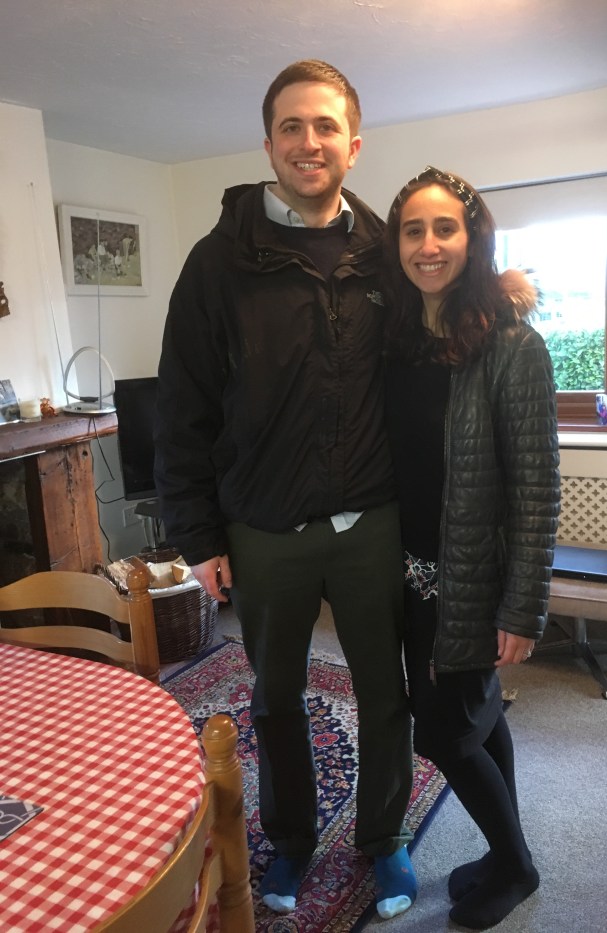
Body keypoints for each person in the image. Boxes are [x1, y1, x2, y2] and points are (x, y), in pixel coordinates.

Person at [154, 60, 416, 920]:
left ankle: (383, 836)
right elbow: (182, 407)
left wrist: (503, 295)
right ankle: (293, 837)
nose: (310, 142)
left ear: (353, 143)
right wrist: (199, 537)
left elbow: (440, 336)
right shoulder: (216, 264)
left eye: (326, 126)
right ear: (268, 143)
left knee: (385, 693)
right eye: (292, 126)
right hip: (263, 527)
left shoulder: (386, 254)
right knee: (275, 698)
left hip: (371, 519)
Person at [382, 166, 560, 929]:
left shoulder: (514, 346)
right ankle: (503, 848)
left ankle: (516, 865)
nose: (428, 245)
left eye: (445, 228)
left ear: (473, 238)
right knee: (479, 716)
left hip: (472, 580)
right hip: (410, 575)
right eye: (413, 230)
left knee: (443, 734)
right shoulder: (399, 342)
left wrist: (522, 607)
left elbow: (537, 489)